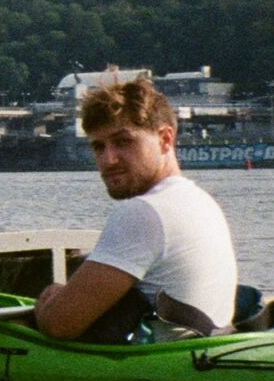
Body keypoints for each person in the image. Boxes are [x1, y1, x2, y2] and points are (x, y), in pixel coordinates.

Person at [35, 71, 238, 343]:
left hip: (166, 370)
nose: (108, 159)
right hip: (202, 353)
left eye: (123, 142)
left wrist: (50, 302)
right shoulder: (201, 201)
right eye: (98, 147)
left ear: (165, 139)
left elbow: (59, 325)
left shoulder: (145, 212)